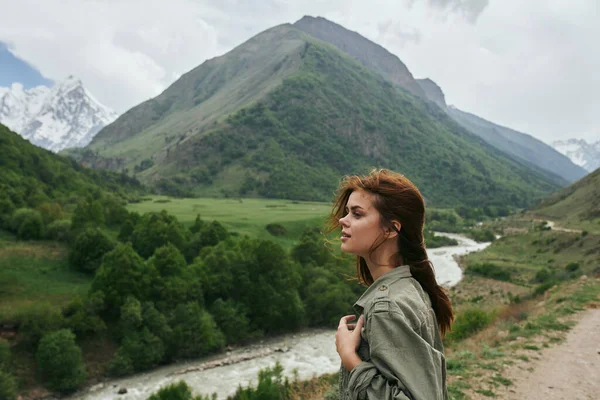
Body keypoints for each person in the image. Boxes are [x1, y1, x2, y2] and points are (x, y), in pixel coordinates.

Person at [329, 169, 453, 400]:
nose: (342, 220)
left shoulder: (385, 305)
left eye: (357, 214)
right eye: (347, 212)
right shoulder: (411, 286)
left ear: (390, 229)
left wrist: (350, 358)